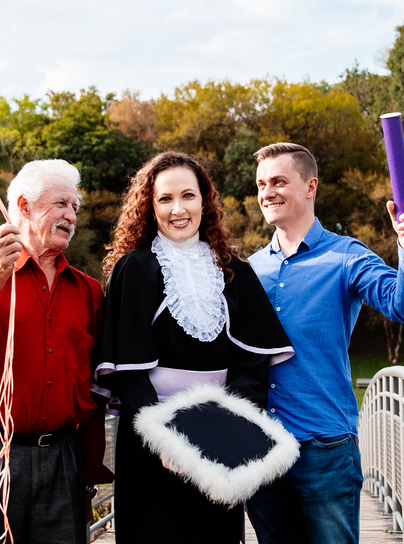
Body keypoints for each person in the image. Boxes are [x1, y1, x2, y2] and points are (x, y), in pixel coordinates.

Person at [95, 151, 294, 544]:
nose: (178, 209)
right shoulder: (134, 267)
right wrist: (167, 438)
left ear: (204, 200)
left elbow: (251, 366)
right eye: (165, 199)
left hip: (218, 432)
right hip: (152, 439)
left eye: (187, 195)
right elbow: (128, 370)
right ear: (150, 207)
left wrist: (230, 432)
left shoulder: (233, 267)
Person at [245, 142, 404, 544]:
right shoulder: (250, 269)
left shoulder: (346, 256)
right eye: (261, 184)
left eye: (279, 181)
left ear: (310, 186)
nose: (267, 192)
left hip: (324, 446)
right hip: (261, 447)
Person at [0, 159, 110, 544]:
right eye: (61, 204)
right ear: (25, 207)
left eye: (75, 208)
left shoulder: (89, 291)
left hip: (62, 458)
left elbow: (99, 381)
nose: (71, 215)